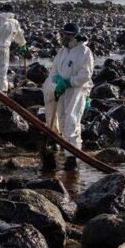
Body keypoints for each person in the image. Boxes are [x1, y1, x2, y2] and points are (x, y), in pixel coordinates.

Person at [41, 23, 94, 172]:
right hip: (62, 91)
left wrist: (69, 82)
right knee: (63, 120)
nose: (63, 37)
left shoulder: (84, 51)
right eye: (63, 34)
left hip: (76, 91)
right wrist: (57, 81)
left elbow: (85, 75)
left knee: (72, 121)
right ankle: (67, 152)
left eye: (66, 35)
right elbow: (55, 70)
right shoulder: (63, 51)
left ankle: (73, 158)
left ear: (74, 36)